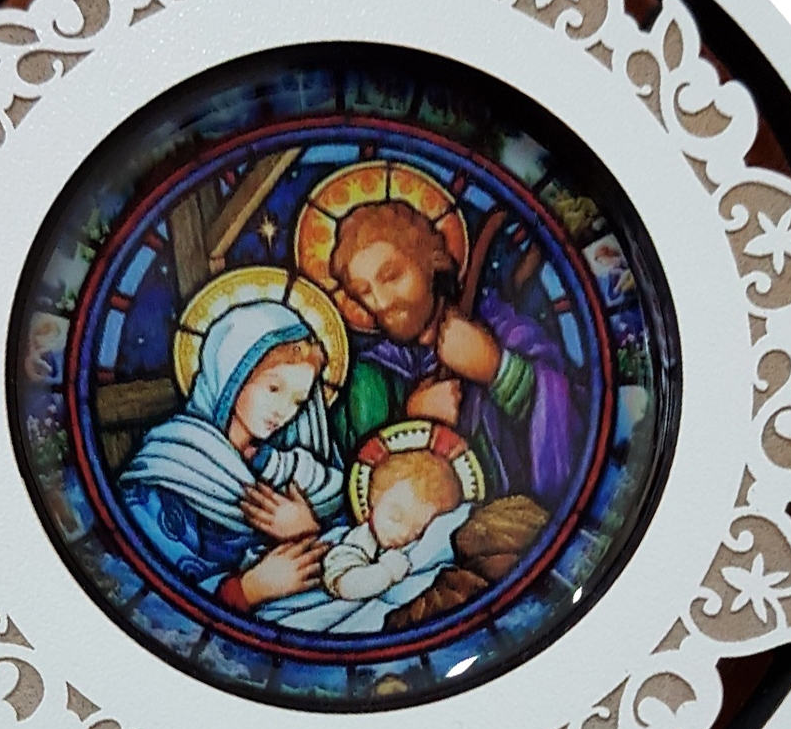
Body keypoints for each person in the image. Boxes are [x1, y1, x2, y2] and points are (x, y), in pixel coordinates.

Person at [327, 200, 580, 507]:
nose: (380, 302)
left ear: (430, 261)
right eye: (364, 291)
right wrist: (412, 421)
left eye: (391, 276)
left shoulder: (504, 329)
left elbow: (574, 419)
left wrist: (498, 370)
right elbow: (352, 494)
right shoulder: (367, 378)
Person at [119, 301, 344, 612]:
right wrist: (249, 590)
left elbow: (357, 555)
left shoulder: (295, 471)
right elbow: (144, 591)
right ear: (230, 374)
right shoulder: (171, 465)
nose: (283, 411)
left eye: (298, 401)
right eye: (274, 388)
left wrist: (307, 529)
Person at [321, 447, 468, 601]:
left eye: (417, 530)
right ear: (374, 499)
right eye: (396, 517)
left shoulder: (417, 547)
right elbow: (346, 586)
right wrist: (386, 573)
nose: (403, 533)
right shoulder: (359, 540)